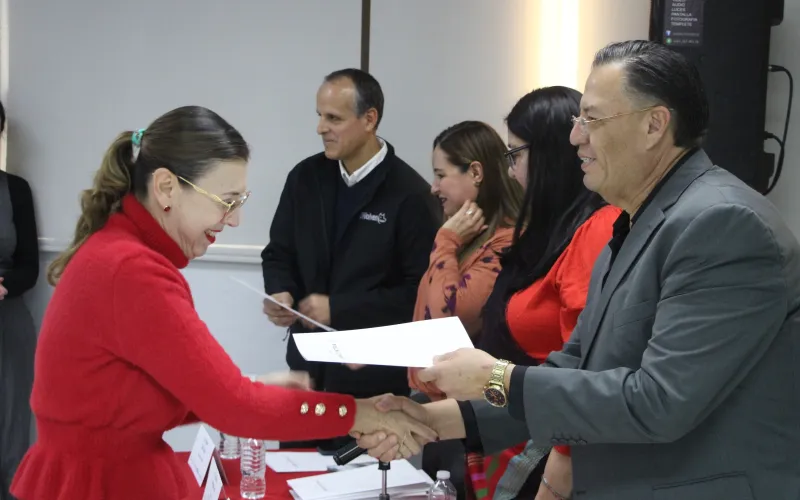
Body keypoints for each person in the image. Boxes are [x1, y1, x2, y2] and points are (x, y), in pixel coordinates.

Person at [355, 40, 800, 500]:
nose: (575, 138)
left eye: (591, 119)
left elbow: (660, 400)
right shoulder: (634, 223)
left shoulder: (722, 224)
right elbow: (574, 369)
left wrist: (495, 377)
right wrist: (430, 419)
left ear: (654, 125)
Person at [10, 106, 437, 500]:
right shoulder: (132, 270)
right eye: (226, 202)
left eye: (240, 202)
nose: (234, 219)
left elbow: (126, 403)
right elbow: (234, 408)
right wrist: (357, 412)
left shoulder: (119, 254)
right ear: (166, 188)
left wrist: (255, 387)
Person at [261, 69, 441, 450]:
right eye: (319, 115)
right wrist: (280, 292)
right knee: (292, 473)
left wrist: (339, 308)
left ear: (369, 119)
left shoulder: (410, 195)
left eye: (334, 118)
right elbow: (278, 253)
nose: (320, 128)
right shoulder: (304, 178)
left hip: (373, 387)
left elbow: (417, 295)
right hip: (306, 376)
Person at [467, 87, 619, 500]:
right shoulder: (549, 229)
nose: (511, 172)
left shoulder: (597, 229)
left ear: (550, 154)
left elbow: (583, 372)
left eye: (514, 155)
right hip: (514, 421)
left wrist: (556, 478)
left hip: (552, 444)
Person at [406, 120, 523, 496]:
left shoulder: (505, 243)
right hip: (439, 410)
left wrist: (445, 241)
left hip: (470, 420)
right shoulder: (466, 239)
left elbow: (446, 321)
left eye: (441, 175)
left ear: (475, 172)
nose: (433, 187)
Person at [0, 100, 39, 500]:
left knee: (12, 430)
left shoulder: (16, 190)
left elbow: (29, 267)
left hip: (8, 322)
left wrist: (4, 285)